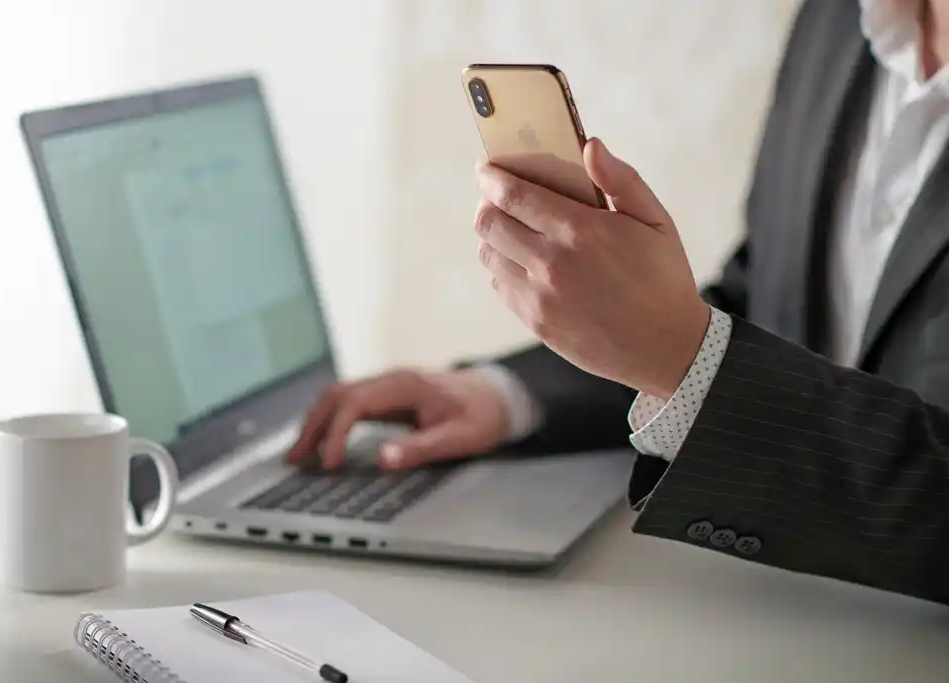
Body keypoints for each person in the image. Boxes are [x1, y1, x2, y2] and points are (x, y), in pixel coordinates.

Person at [290, 0, 949, 605]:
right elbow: (761, 300)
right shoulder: (835, 19)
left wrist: (683, 358)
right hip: (778, 612)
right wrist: (501, 395)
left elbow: (705, 354)